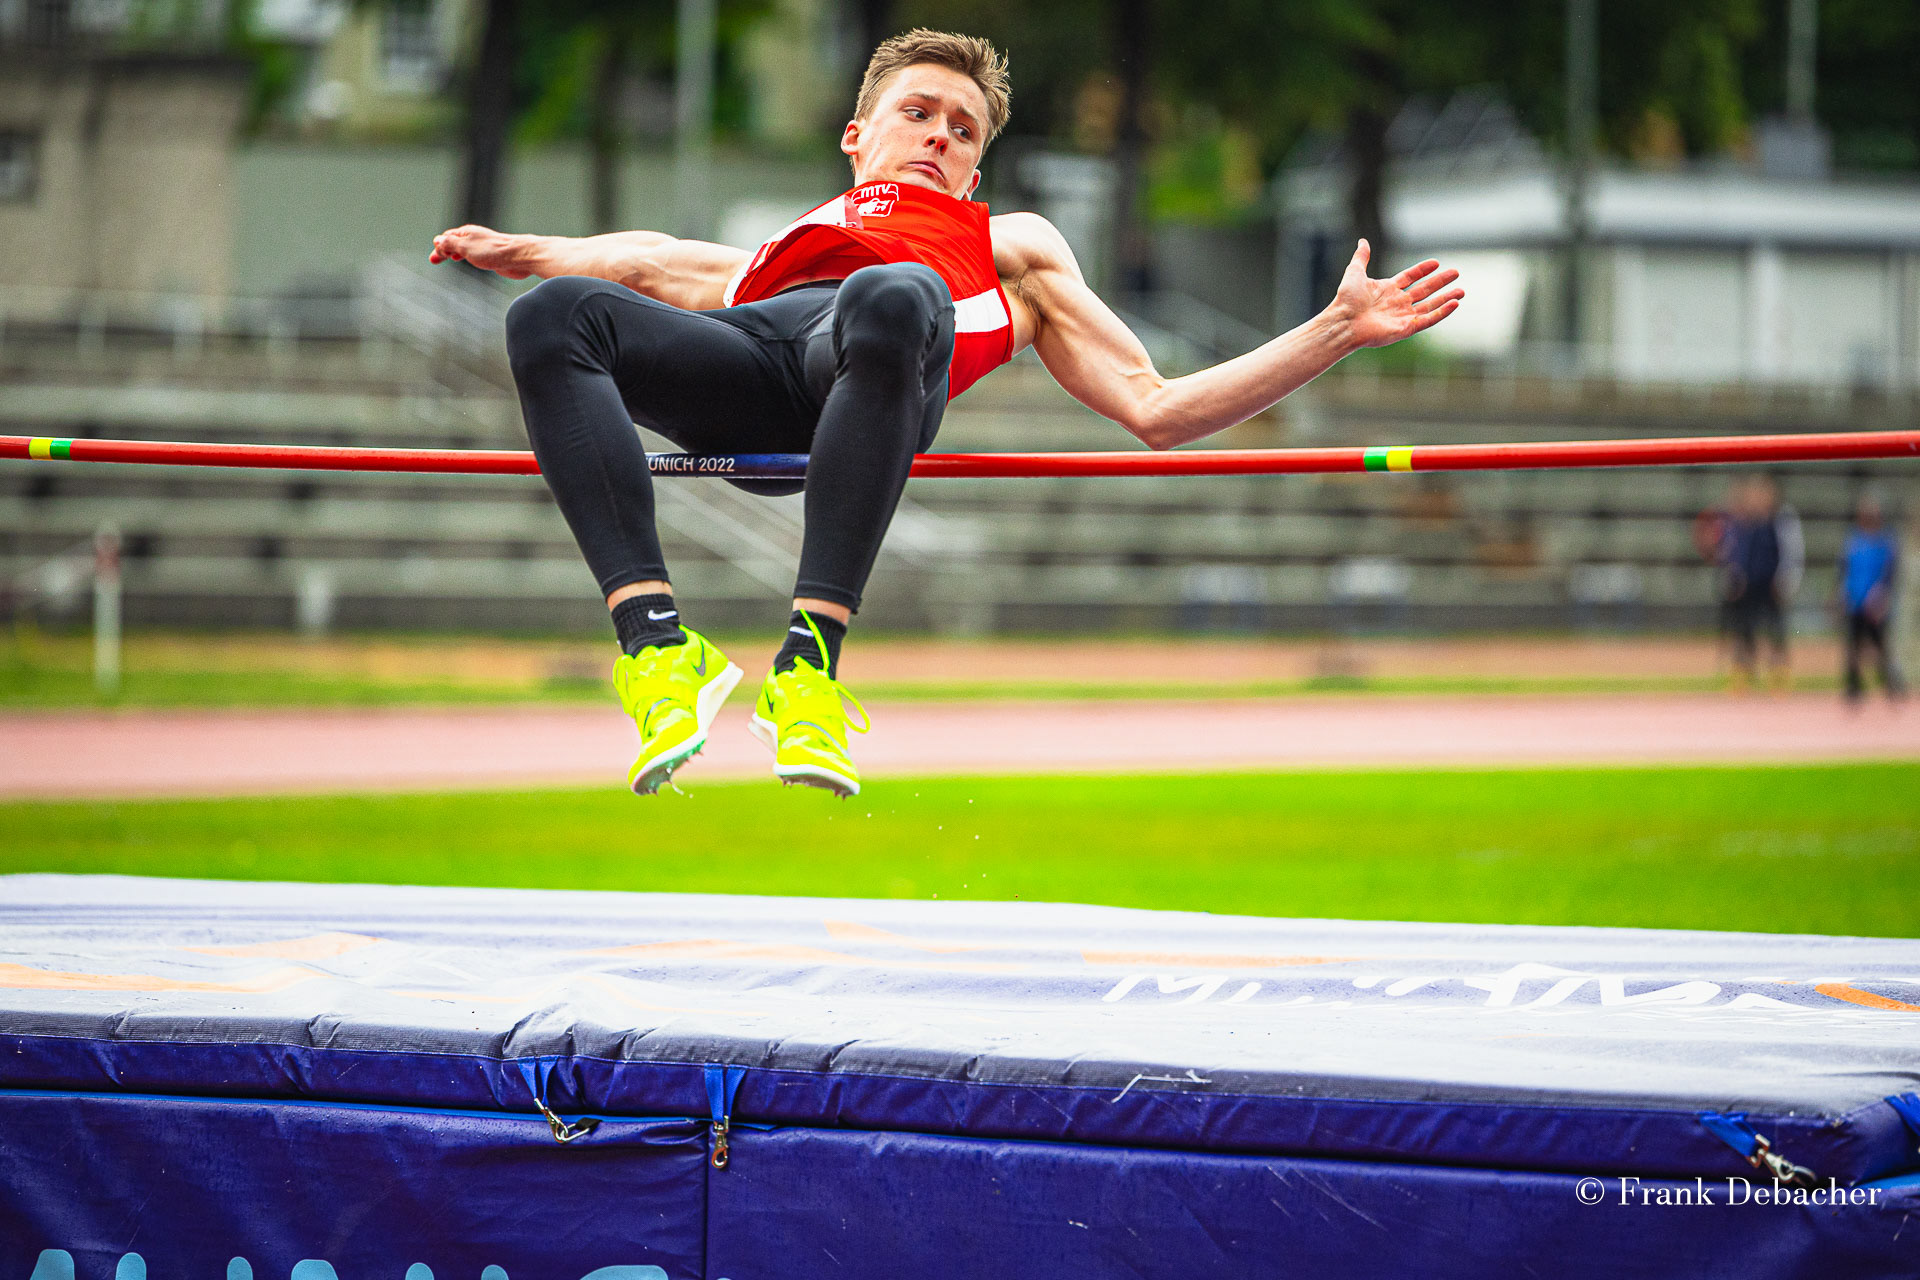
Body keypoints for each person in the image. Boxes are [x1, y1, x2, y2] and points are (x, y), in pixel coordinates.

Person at [429, 28, 1464, 797]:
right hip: (753, 370)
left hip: (877, 359)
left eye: (962, 130)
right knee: (553, 317)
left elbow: (1159, 408)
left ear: (976, 168)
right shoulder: (785, 242)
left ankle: (808, 670)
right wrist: (528, 253)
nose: (938, 135)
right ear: (857, 135)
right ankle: (659, 649)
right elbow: (650, 261)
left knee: (893, 293)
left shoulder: (1011, 247)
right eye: (918, 113)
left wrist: (1334, 329)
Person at [1716, 474, 1802, 693]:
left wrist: (1784, 579)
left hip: (1770, 584)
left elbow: (1787, 553)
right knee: (1744, 629)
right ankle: (1744, 673)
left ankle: (1779, 674)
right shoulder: (1744, 524)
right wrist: (1736, 576)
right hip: (1749, 584)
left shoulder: (1777, 521)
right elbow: (1738, 555)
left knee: (1776, 630)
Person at [1837, 493, 1904, 703]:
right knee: (1853, 646)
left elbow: (1890, 572)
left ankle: (1891, 684)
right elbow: (1844, 570)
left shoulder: (1885, 542)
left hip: (1875, 603)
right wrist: (1842, 593)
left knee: (1880, 646)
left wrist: (1882, 595)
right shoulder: (1853, 540)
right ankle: (1853, 686)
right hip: (1855, 601)